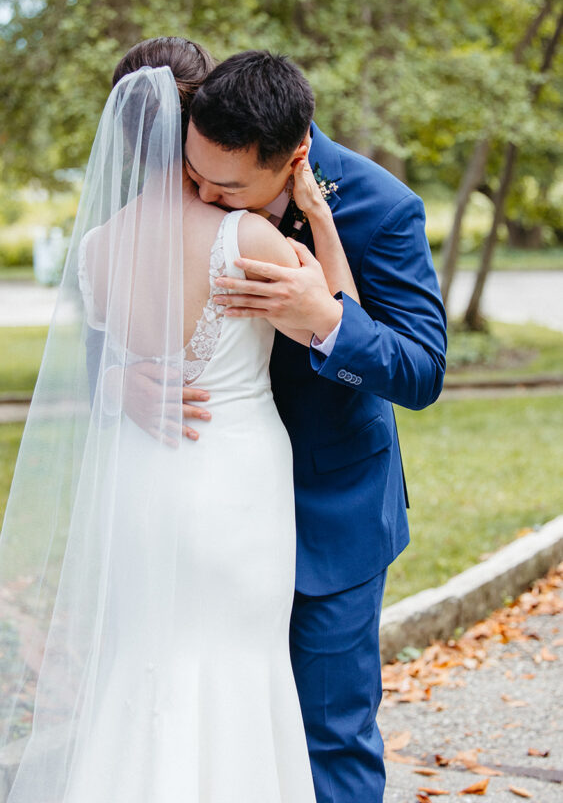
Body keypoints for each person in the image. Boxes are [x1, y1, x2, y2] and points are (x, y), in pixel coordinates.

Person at [0, 37, 358, 803]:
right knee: (232, 670)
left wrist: (116, 387)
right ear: (197, 120)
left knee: (142, 670)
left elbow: (100, 364)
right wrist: (318, 223)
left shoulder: (97, 250)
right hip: (230, 488)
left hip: (139, 484)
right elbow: (342, 321)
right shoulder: (248, 239)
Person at [183, 49, 448, 803]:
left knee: (328, 734)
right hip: (212, 510)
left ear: (294, 156)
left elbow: (422, 370)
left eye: (224, 187)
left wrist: (327, 321)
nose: (198, 194)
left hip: (326, 516)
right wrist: (128, 375)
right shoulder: (191, 172)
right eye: (194, 172)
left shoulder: (380, 206)